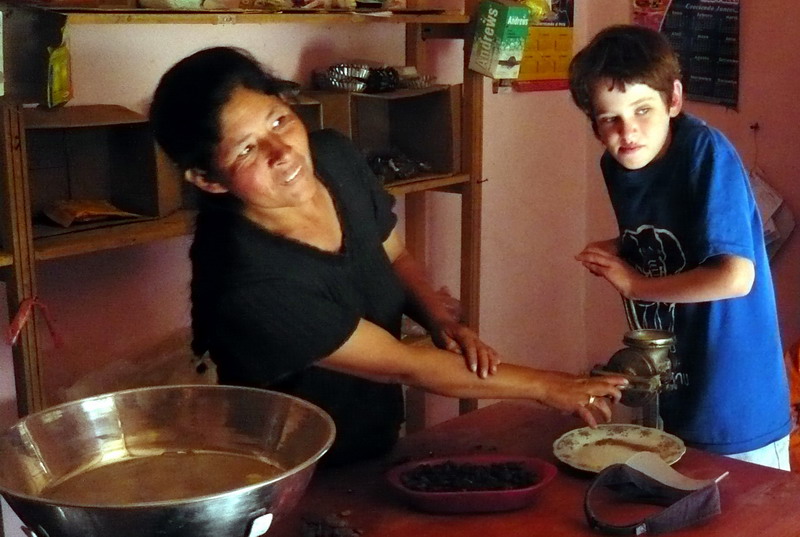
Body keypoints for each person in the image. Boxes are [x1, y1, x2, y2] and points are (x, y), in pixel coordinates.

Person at [150, 46, 626, 465]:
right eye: (248, 148)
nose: (284, 152)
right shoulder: (250, 286)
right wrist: (550, 386)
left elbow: (392, 254)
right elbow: (405, 364)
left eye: (278, 121)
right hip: (290, 468)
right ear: (209, 179)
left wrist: (439, 318)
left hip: (372, 438)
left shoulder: (333, 156)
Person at [568, 25, 791, 469]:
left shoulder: (703, 153)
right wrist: (620, 247)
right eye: (609, 118)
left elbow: (735, 277)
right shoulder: (618, 165)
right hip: (676, 390)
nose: (627, 131)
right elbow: (676, 240)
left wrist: (633, 284)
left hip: (733, 402)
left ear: (673, 98)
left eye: (642, 109)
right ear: (594, 124)